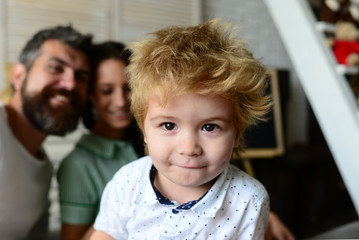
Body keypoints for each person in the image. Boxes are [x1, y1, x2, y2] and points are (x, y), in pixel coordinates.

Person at [91, 19, 272, 240]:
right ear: (144, 129)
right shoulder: (126, 182)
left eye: (210, 127)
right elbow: (105, 234)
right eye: (169, 125)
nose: (189, 148)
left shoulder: (249, 199)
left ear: (237, 132)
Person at [0, 25, 92, 239]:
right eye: (55, 67)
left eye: (81, 77)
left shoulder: (44, 169)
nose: (70, 84)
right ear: (19, 75)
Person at [57, 41, 144, 240]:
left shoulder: (153, 143)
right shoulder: (78, 165)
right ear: (90, 95)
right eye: (106, 90)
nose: (121, 101)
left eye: (128, 88)